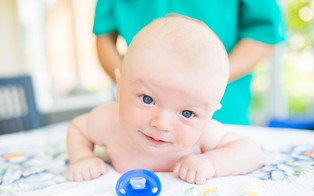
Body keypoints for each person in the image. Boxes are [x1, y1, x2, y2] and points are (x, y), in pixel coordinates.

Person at [67, 16, 263, 184]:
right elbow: (77, 129)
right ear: (119, 87)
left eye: (187, 113)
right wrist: (82, 157)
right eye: (147, 99)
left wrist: (211, 163)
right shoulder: (107, 122)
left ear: (210, 113)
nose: (162, 124)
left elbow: (251, 152)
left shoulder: (204, 136)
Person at [92, 0, 286, 125]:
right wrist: (131, 82)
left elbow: (263, 33)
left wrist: (208, 81)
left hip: (223, 115)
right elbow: (104, 35)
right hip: (139, 113)